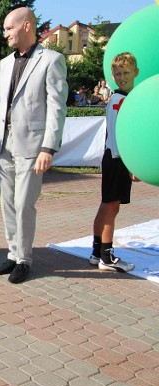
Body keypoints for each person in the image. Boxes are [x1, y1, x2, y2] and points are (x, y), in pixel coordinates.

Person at [0, 7, 68, 284]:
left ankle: (25, 259)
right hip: (3, 145)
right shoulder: (5, 63)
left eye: (9, 28)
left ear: (26, 26)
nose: (4, 33)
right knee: (7, 203)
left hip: (32, 146)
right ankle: (12, 253)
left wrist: (48, 148)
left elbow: (57, 107)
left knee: (23, 203)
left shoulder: (52, 60)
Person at [90, 52, 140, 272]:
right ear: (112, 75)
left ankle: (96, 250)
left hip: (114, 158)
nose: (121, 77)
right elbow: (118, 137)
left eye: (126, 72)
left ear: (136, 72)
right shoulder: (119, 100)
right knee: (112, 206)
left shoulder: (129, 98)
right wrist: (131, 165)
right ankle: (106, 257)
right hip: (116, 158)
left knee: (106, 204)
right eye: (117, 73)